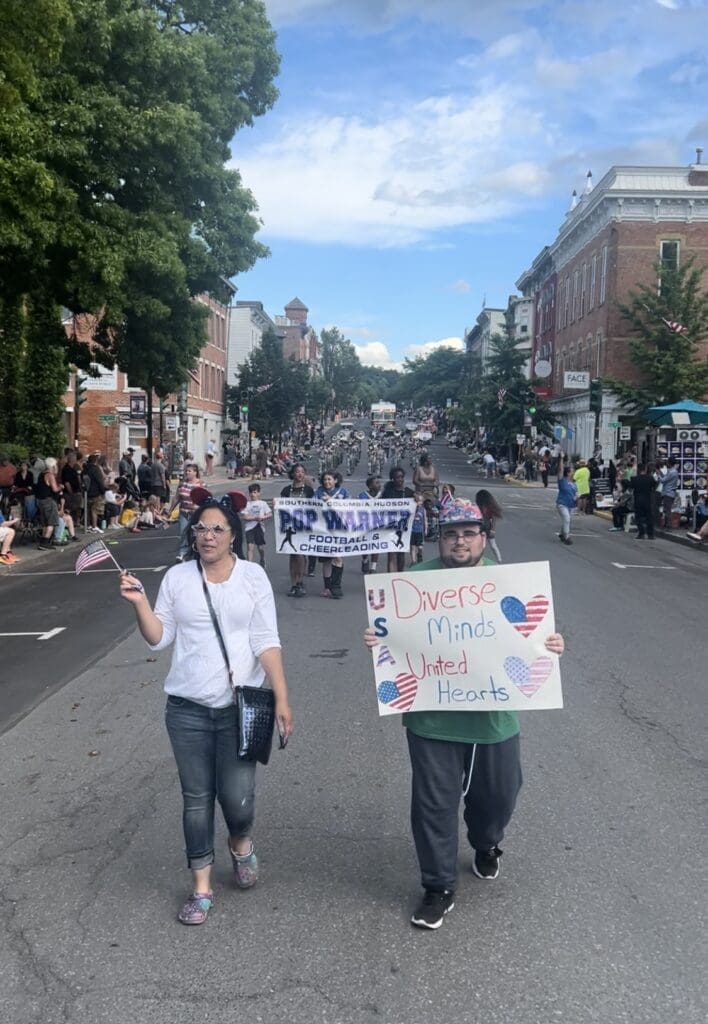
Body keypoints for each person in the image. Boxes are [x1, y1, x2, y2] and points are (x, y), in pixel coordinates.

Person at [363, 499, 565, 930]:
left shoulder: (511, 584)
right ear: (442, 539)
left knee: (499, 797)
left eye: (469, 533)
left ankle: (487, 843)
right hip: (433, 719)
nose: (460, 540)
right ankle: (438, 886)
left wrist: (550, 646)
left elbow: (534, 638)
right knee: (433, 805)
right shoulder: (413, 583)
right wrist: (378, 638)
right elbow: (391, 634)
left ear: (484, 538)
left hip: (493, 716)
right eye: (452, 533)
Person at [119, 490, 293, 926]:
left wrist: (283, 699)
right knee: (196, 799)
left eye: (217, 528)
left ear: (233, 535)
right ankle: (201, 887)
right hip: (187, 710)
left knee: (237, 800)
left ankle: (241, 843)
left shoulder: (252, 577)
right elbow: (159, 639)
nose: (208, 536)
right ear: (192, 535)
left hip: (240, 707)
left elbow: (265, 641)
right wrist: (141, 602)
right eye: (200, 528)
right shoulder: (178, 579)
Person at [280, 464, 314, 597]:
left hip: (303, 526)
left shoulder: (309, 491)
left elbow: (314, 507)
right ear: (293, 474)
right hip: (289, 525)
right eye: (297, 471)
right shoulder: (286, 490)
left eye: (302, 472)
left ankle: (300, 582)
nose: (299, 474)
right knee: (292, 554)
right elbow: (281, 507)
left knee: (300, 554)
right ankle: (293, 583)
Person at [315, 471, 349, 598]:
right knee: (326, 560)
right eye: (325, 479)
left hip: (338, 529)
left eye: (329, 479)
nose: (327, 482)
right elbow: (310, 506)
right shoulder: (318, 492)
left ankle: (336, 587)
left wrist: (333, 502)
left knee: (338, 557)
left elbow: (350, 508)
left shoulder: (343, 492)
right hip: (323, 529)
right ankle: (327, 587)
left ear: (335, 480)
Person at [381, 466, 415, 572]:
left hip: (403, 528)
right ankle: (390, 577)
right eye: (397, 477)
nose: (399, 479)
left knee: (401, 554)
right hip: (390, 526)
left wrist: (419, 497)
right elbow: (379, 506)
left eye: (401, 477)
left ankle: (399, 575)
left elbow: (418, 501)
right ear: (393, 479)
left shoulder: (409, 492)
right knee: (391, 554)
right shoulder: (387, 493)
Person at [169, 462, 203, 562]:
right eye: (186, 471)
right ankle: (182, 553)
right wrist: (170, 511)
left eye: (189, 471)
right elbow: (176, 498)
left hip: (196, 513)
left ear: (195, 472)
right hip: (184, 512)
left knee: (196, 534)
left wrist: (200, 507)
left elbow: (205, 499)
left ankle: (197, 552)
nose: (187, 473)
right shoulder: (182, 484)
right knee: (183, 533)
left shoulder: (201, 484)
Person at [35, 457, 63, 550]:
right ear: (53, 465)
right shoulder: (50, 475)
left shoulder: (41, 475)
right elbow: (55, 489)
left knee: (44, 523)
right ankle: (44, 542)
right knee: (51, 522)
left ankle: (42, 542)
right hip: (48, 500)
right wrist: (61, 487)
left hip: (40, 501)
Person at [242, 482, 272, 567]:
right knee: (249, 547)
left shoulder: (263, 503)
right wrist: (254, 518)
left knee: (260, 547)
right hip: (249, 528)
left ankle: (262, 558)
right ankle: (249, 566)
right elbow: (245, 516)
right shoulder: (247, 504)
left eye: (255, 492)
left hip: (259, 527)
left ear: (259, 493)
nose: (252, 494)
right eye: (251, 492)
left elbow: (270, 514)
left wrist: (263, 517)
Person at [358, 474, 381, 574]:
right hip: (365, 524)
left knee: (376, 545)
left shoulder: (383, 495)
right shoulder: (362, 496)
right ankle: (365, 560)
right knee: (365, 545)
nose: (379, 485)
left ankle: (373, 567)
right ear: (370, 486)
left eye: (379, 482)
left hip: (378, 524)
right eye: (376, 483)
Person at [475, 489, 503, 563]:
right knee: (480, 545)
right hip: (481, 526)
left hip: (487, 527)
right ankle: (479, 560)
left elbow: (493, 519)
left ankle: (499, 560)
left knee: (493, 545)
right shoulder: (479, 506)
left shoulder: (489, 507)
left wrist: (493, 530)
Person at [630, 464, 656, 540]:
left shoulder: (634, 479)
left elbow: (631, 487)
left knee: (638, 518)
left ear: (638, 470)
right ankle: (650, 534)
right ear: (645, 469)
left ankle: (641, 533)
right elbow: (654, 486)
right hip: (647, 500)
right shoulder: (650, 478)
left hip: (638, 500)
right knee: (649, 517)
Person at [556, 466, 577, 545]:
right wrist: (561, 458)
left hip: (571, 505)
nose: (573, 473)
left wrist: (577, 498)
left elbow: (575, 494)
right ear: (568, 473)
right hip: (562, 504)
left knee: (567, 520)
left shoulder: (574, 484)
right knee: (567, 519)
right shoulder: (562, 481)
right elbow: (561, 470)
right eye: (572, 471)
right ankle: (567, 537)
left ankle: (562, 534)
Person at [660, 457, 679, 529]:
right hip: (668, 493)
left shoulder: (672, 472)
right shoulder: (671, 471)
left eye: (667, 462)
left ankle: (668, 526)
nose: (666, 463)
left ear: (670, 463)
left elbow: (663, 480)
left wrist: (658, 475)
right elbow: (665, 478)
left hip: (668, 493)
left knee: (667, 510)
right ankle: (666, 525)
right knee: (666, 509)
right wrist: (660, 473)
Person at [409, 492, 427, 566]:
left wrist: (426, 529)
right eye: (417, 501)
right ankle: (413, 561)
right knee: (412, 547)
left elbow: (425, 520)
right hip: (412, 531)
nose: (418, 502)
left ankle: (419, 555)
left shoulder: (423, 510)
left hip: (420, 531)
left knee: (420, 547)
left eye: (420, 501)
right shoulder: (411, 509)